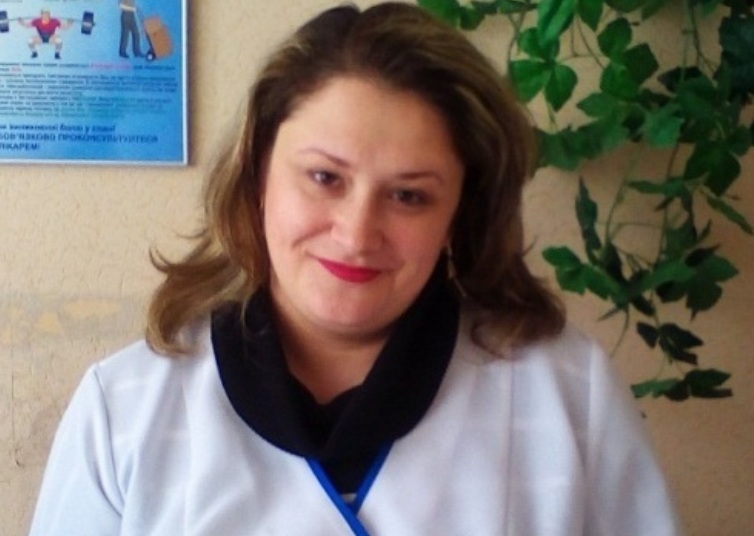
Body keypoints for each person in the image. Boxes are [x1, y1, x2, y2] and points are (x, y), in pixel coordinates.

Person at [29, 3, 685, 535]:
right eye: (324, 177)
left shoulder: (566, 396)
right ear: (257, 177)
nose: (356, 234)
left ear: (461, 211)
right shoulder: (126, 410)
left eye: (410, 195)